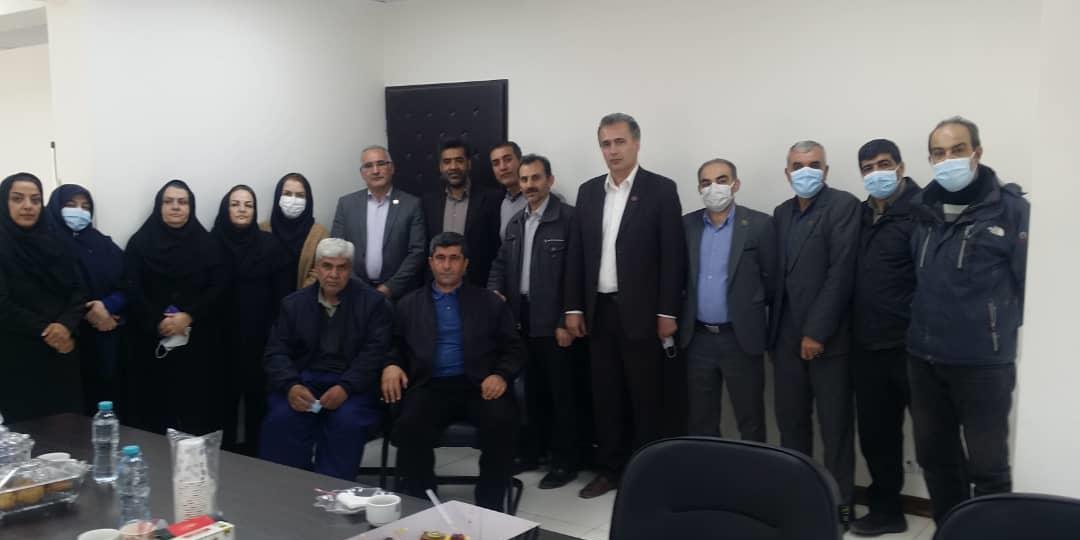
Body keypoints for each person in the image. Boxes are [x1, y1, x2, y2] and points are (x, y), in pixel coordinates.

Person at [907, 117, 1029, 524]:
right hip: (924, 358)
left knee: (988, 467)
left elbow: (1030, 285)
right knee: (935, 458)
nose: (948, 159)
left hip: (983, 364)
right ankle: (951, 529)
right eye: (939, 153)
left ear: (977, 152)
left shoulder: (1011, 210)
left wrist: (995, 327)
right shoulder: (921, 208)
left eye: (957, 150)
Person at [564, 113, 686, 499]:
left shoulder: (660, 190)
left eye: (620, 142)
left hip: (643, 313)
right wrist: (573, 307)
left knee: (645, 397)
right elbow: (577, 253)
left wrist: (667, 312)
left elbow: (673, 256)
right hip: (598, 311)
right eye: (606, 143)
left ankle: (646, 473)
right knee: (606, 395)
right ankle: (611, 469)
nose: (613, 150)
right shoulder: (588, 192)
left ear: (636, 143)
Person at [383, 232, 524, 511]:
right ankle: (423, 503)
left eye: (454, 258)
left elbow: (515, 348)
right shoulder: (408, 304)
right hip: (429, 385)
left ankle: (489, 506)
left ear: (465, 263)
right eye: (440, 258)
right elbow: (394, 345)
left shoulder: (489, 302)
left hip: (479, 384)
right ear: (430, 262)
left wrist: (501, 374)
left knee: (502, 423)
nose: (447, 266)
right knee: (409, 426)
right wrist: (391, 365)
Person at [771, 140, 860, 523]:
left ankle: (840, 503)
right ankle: (799, 499)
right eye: (797, 165)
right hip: (784, 338)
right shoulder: (782, 212)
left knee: (835, 427)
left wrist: (816, 332)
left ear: (825, 170)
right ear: (787, 172)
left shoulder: (843, 206)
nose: (805, 171)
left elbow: (841, 273)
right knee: (791, 424)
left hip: (827, 339)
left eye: (813, 164)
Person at [260, 238, 391, 480]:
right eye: (327, 266)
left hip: (352, 385)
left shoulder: (373, 303)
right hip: (304, 380)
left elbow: (374, 354)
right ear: (317, 268)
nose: (333, 274)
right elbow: (275, 352)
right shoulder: (293, 304)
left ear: (350, 269)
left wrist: (346, 387)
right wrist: (291, 386)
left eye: (341, 267)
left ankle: (331, 493)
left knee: (346, 422)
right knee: (282, 419)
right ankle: (284, 487)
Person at [488, 154, 580, 489]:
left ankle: (565, 461)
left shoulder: (568, 219)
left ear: (550, 181)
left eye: (536, 178)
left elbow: (576, 273)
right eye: (524, 179)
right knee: (533, 393)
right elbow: (500, 263)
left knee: (562, 395)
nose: (529, 185)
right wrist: (494, 290)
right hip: (521, 318)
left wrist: (565, 319)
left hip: (554, 321)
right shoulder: (516, 222)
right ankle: (534, 452)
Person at [849, 139, 922, 536]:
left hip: (913, 347)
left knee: (934, 439)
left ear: (900, 166)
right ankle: (886, 511)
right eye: (868, 167)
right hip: (867, 345)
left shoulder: (923, 210)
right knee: (877, 437)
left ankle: (956, 516)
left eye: (884, 164)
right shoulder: (858, 215)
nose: (876, 173)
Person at [680, 159, 776, 442]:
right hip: (698, 339)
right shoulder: (687, 225)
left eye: (721, 180)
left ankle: (753, 470)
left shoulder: (760, 225)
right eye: (706, 182)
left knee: (750, 419)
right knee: (701, 420)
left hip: (740, 338)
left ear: (736, 184)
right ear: (699, 188)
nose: (714, 188)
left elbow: (772, 281)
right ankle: (708, 469)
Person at [124, 180, 226, 435]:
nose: (175, 207)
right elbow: (131, 288)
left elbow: (218, 289)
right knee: (153, 411)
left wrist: (189, 316)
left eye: (182, 202)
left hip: (197, 344)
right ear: (159, 207)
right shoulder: (140, 243)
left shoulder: (208, 245)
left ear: (191, 207)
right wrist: (157, 322)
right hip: (150, 342)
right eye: (168, 202)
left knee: (193, 412)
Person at [0, 173, 87, 423]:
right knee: (27, 432)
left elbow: (79, 290)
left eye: (35, 200)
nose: (28, 206)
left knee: (69, 428)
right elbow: (2, 304)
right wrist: (48, 331)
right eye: (18, 199)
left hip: (62, 352)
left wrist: (65, 326)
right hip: (18, 353)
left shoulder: (57, 242)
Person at [211, 185, 292, 455]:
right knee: (222, 402)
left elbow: (283, 296)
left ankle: (257, 458)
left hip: (261, 337)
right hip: (220, 338)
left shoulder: (270, 245)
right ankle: (225, 457)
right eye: (235, 204)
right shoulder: (210, 243)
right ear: (226, 208)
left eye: (248, 205)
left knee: (259, 402)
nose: (242, 210)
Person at [46, 184, 129, 416]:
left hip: (105, 338)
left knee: (106, 404)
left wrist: (108, 306)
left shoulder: (102, 243)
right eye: (70, 205)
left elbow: (129, 282)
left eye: (85, 207)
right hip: (67, 339)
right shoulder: (45, 244)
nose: (79, 212)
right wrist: (89, 312)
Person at [331, 145, 426, 300]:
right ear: (362, 173)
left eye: (381, 164)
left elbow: (417, 252)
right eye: (368, 166)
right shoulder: (346, 204)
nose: (375, 171)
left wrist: (390, 287)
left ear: (392, 168)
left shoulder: (411, 205)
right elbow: (337, 249)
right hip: (355, 293)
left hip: (399, 295)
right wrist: (360, 288)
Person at [421, 139, 501, 287]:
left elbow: (497, 248)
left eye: (459, 161)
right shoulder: (428, 202)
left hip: (478, 284)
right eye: (447, 162)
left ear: (469, 164)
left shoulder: (491, 199)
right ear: (440, 167)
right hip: (438, 285)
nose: (453, 167)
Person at [262, 173, 329, 290]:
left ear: (308, 200)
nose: (293, 200)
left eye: (300, 195)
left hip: (303, 297)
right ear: (278, 197)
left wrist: (298, 297)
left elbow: (320, 270)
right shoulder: (262, 229)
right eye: (287, 194)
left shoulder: (320, 233)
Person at [490, 141, 527, 239]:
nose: (502, 167)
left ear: (521, 161)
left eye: (508, 160)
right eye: (496, 163)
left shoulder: (541, 197)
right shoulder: (504, 204)